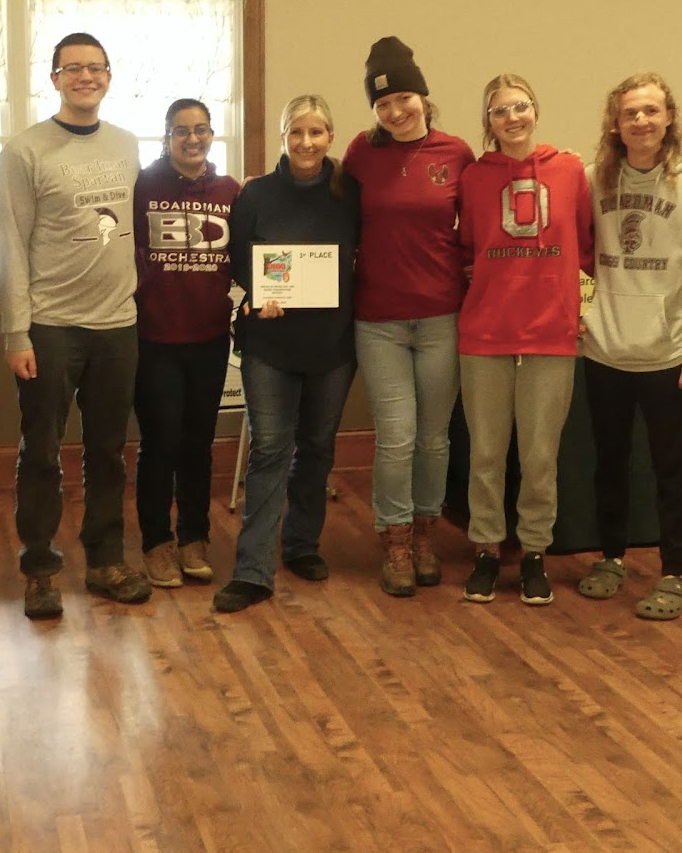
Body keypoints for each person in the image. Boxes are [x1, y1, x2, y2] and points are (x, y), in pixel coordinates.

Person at [0, 32, 150, 619]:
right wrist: (16, 332)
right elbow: (9, 242)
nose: (86, 77)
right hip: (51, 327)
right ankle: (40, 566)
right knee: (41, 451)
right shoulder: (25, 151)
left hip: (118, 324)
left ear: (108, 76)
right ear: (54, 77)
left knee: (109, 451)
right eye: (73, 68)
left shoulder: (127, 145)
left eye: (96, 68)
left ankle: (106, 559)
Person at [578, 72, 682, 619]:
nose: (640, 121)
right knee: (609, 465)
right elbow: (572, 255)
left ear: (669, 118)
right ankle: (612, 558)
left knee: (671, 470)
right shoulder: (592, 179)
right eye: (629, 113)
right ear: (615, 125)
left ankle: (675, 574)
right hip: (604, 351)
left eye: (651, 111)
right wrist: (579, 315)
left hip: (670, 356)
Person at [213, 95, 360, 613]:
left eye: (316, 132)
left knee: (317, 448)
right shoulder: (256, 194)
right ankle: (253, 570)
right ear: (282, 137)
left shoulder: (349, 193)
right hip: (269, 343)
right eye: (296, 132)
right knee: (271, 449)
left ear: (330, 137)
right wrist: (260, 289)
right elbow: (238, 262)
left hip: (332, 344)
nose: (305, 142)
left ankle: (302, 545)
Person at [342, 37, 474, 597]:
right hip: (378, 321)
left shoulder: (456, 154)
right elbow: (325, 213)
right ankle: (393, 538)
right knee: (396, 437)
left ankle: (425, 532)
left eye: (402, 97)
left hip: (441, 316)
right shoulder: (360, 154)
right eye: (381, 104)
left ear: (422, 95)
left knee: (435, 438)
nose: (395, 111)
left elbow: (478, 231)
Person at [457, 74, 593, 605]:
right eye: (499, 111)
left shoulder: (570, 170)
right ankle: (487, 550)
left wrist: (580, 309)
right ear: (487, 122)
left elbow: (585, 246)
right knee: (486, 453)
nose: (512, 118)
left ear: (536, 110)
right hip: (485, 332)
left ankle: (535, 550)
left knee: (540, 455)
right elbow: (467, 247)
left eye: (521, 107)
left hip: (551, 333)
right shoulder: (473, 177)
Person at [133, 98, 240, 587]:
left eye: (200, 130)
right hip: (154, 338)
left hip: (210, 337)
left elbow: (248, 258)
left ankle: (194, 536)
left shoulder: (229, 192)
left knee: (198, 444)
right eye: (181, 131)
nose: (192, 139)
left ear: (211, 135)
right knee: (159, 444)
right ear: (166, 136)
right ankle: (156, 542)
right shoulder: (142, 187)